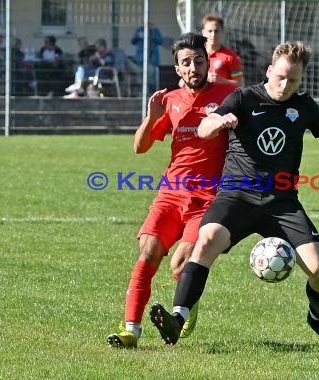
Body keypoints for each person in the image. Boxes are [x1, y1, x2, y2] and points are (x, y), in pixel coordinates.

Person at [148, 40, 319, 347]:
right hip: (236, 196)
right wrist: (218, 122)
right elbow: (204, 126)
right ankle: (178, 318)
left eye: (293, 80)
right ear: (269, 71)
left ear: (301, 80)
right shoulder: (243, 97)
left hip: (281, 203)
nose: (284, 84)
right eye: (280, 76)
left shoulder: (304, 106)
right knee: (207, 239)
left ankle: (318, 319)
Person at [106, 32, 237, 349]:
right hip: (170, 194)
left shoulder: (229, 93)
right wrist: (151, 116)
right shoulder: (171, 100)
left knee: (180, 264)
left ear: (208, 63)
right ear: (178, 69)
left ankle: (186, 304)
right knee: (147, 255)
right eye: (186, 63)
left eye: (198, 61)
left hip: (207, 198)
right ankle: (131, 332)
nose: (193, 67)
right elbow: (140, 147)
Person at [201, 14, 244, 87]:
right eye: (210, 31)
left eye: (216, 31)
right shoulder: (197, 54)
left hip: (222, 98)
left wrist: (222, 81)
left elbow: (240, 84)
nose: (213, 34)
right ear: (203, 32)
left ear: (222, 32)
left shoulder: (231, 57)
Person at [130, 23, 164, 94]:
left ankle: (151, 93)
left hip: (152, 59)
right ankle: (140, 93)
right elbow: (133, 41)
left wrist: (153, 33)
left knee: (151, 77)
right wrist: (139, 36)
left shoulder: (155, 31)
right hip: (140, 59)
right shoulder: (139, 30)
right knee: (140, 76)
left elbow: (160, 41)